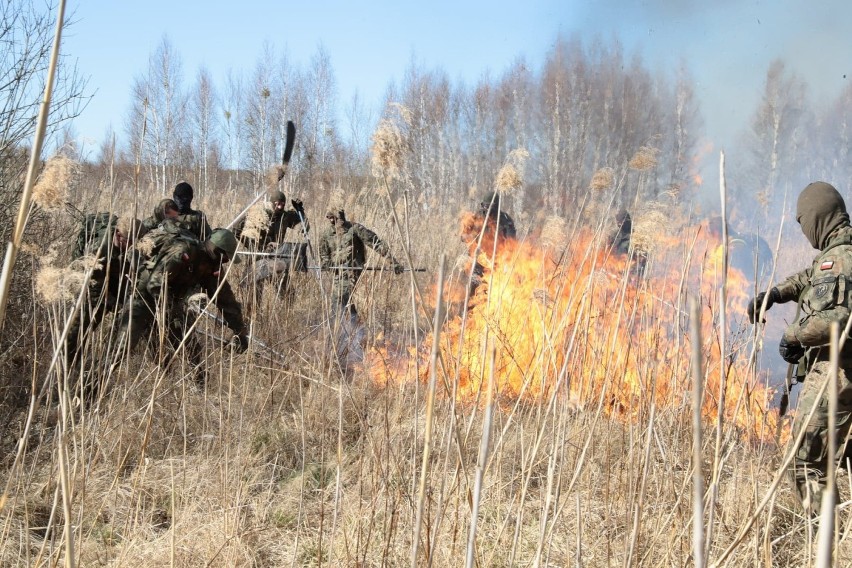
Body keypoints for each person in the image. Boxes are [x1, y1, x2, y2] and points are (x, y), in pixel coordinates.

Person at [747, 181, 852, 518]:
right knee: (844, 457)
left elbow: (835, 319)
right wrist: (775, 294)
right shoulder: (840, 253)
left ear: (818, 218)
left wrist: (793, 336)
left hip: (836, 379)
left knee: (807, 464)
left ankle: (824, 541)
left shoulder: (839, 260)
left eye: (804, 221)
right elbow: (809, 277)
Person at [115, 228, 249, 383]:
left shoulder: (210, 267)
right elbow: (155, 284)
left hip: (170, 303)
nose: (225, 261)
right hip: (143, 299)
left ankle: (200, 387)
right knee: (122, 348)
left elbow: (226, 301)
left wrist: (239, 330)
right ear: (217, 251)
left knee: (192, 348)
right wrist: (170, 312)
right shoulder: (182, 251)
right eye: (226, 257)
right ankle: (91, 386)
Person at [66, 214, 148, 371]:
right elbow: (95, 285)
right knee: (77, 330)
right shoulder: (99, 249)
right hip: (95, 282)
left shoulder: (129, 244)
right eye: (130, 242)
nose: (133, 246)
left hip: (116, 275)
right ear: (118, 235)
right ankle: (70, 367)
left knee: (126, 319)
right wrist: (110, 301)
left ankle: (104, 364)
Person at [318, 208, 403, 318]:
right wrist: (326, 264)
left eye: (340, 218)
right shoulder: (327, 234)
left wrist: (393, 262)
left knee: (340, 299)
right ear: (330, 219)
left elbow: (376, 243)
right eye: (334, 219)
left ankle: (339, 327)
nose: (338, 222)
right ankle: (354, 324)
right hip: (337, 272)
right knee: (342, 299)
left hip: (352, 270)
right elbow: (323, 252)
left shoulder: (355, 228)